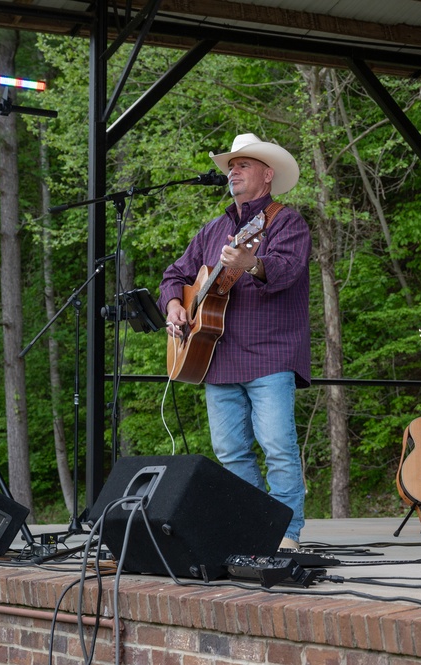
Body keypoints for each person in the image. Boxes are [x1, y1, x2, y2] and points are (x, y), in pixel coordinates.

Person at [158, 133, 311, 551]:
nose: (233, 172)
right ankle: (250, 525)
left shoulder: (285, 221)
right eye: (231, 166)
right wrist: (174, 305)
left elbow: (286, 270)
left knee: (278, 447)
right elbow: (175, 275)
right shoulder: (214, 228)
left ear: (267, 174)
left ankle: (286, 531)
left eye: (243, 165)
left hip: (270, 352)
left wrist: (252, 263)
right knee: (230, 453)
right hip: (216, 356)